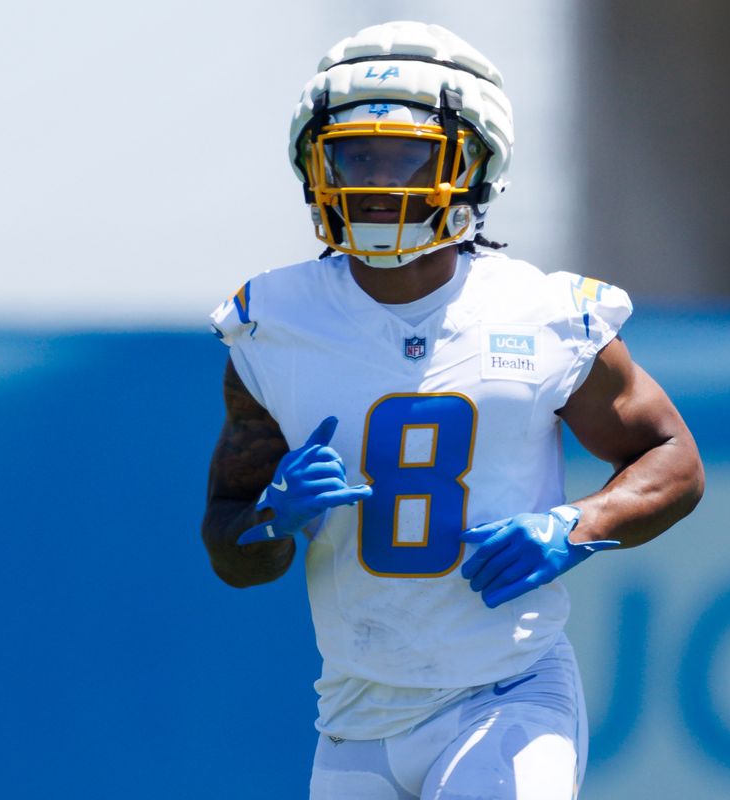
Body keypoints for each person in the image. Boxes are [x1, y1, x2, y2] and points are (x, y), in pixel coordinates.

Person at [202, 20, 704, 799]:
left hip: (504, 691)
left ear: (473, 163)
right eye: (351, 155)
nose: (373, 179)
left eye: (404, 155)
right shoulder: (274, 323)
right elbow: (232, 543)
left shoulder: (542, 313)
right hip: (353, 716)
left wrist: (578, 525)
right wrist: (272, 515)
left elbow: (673, 460)